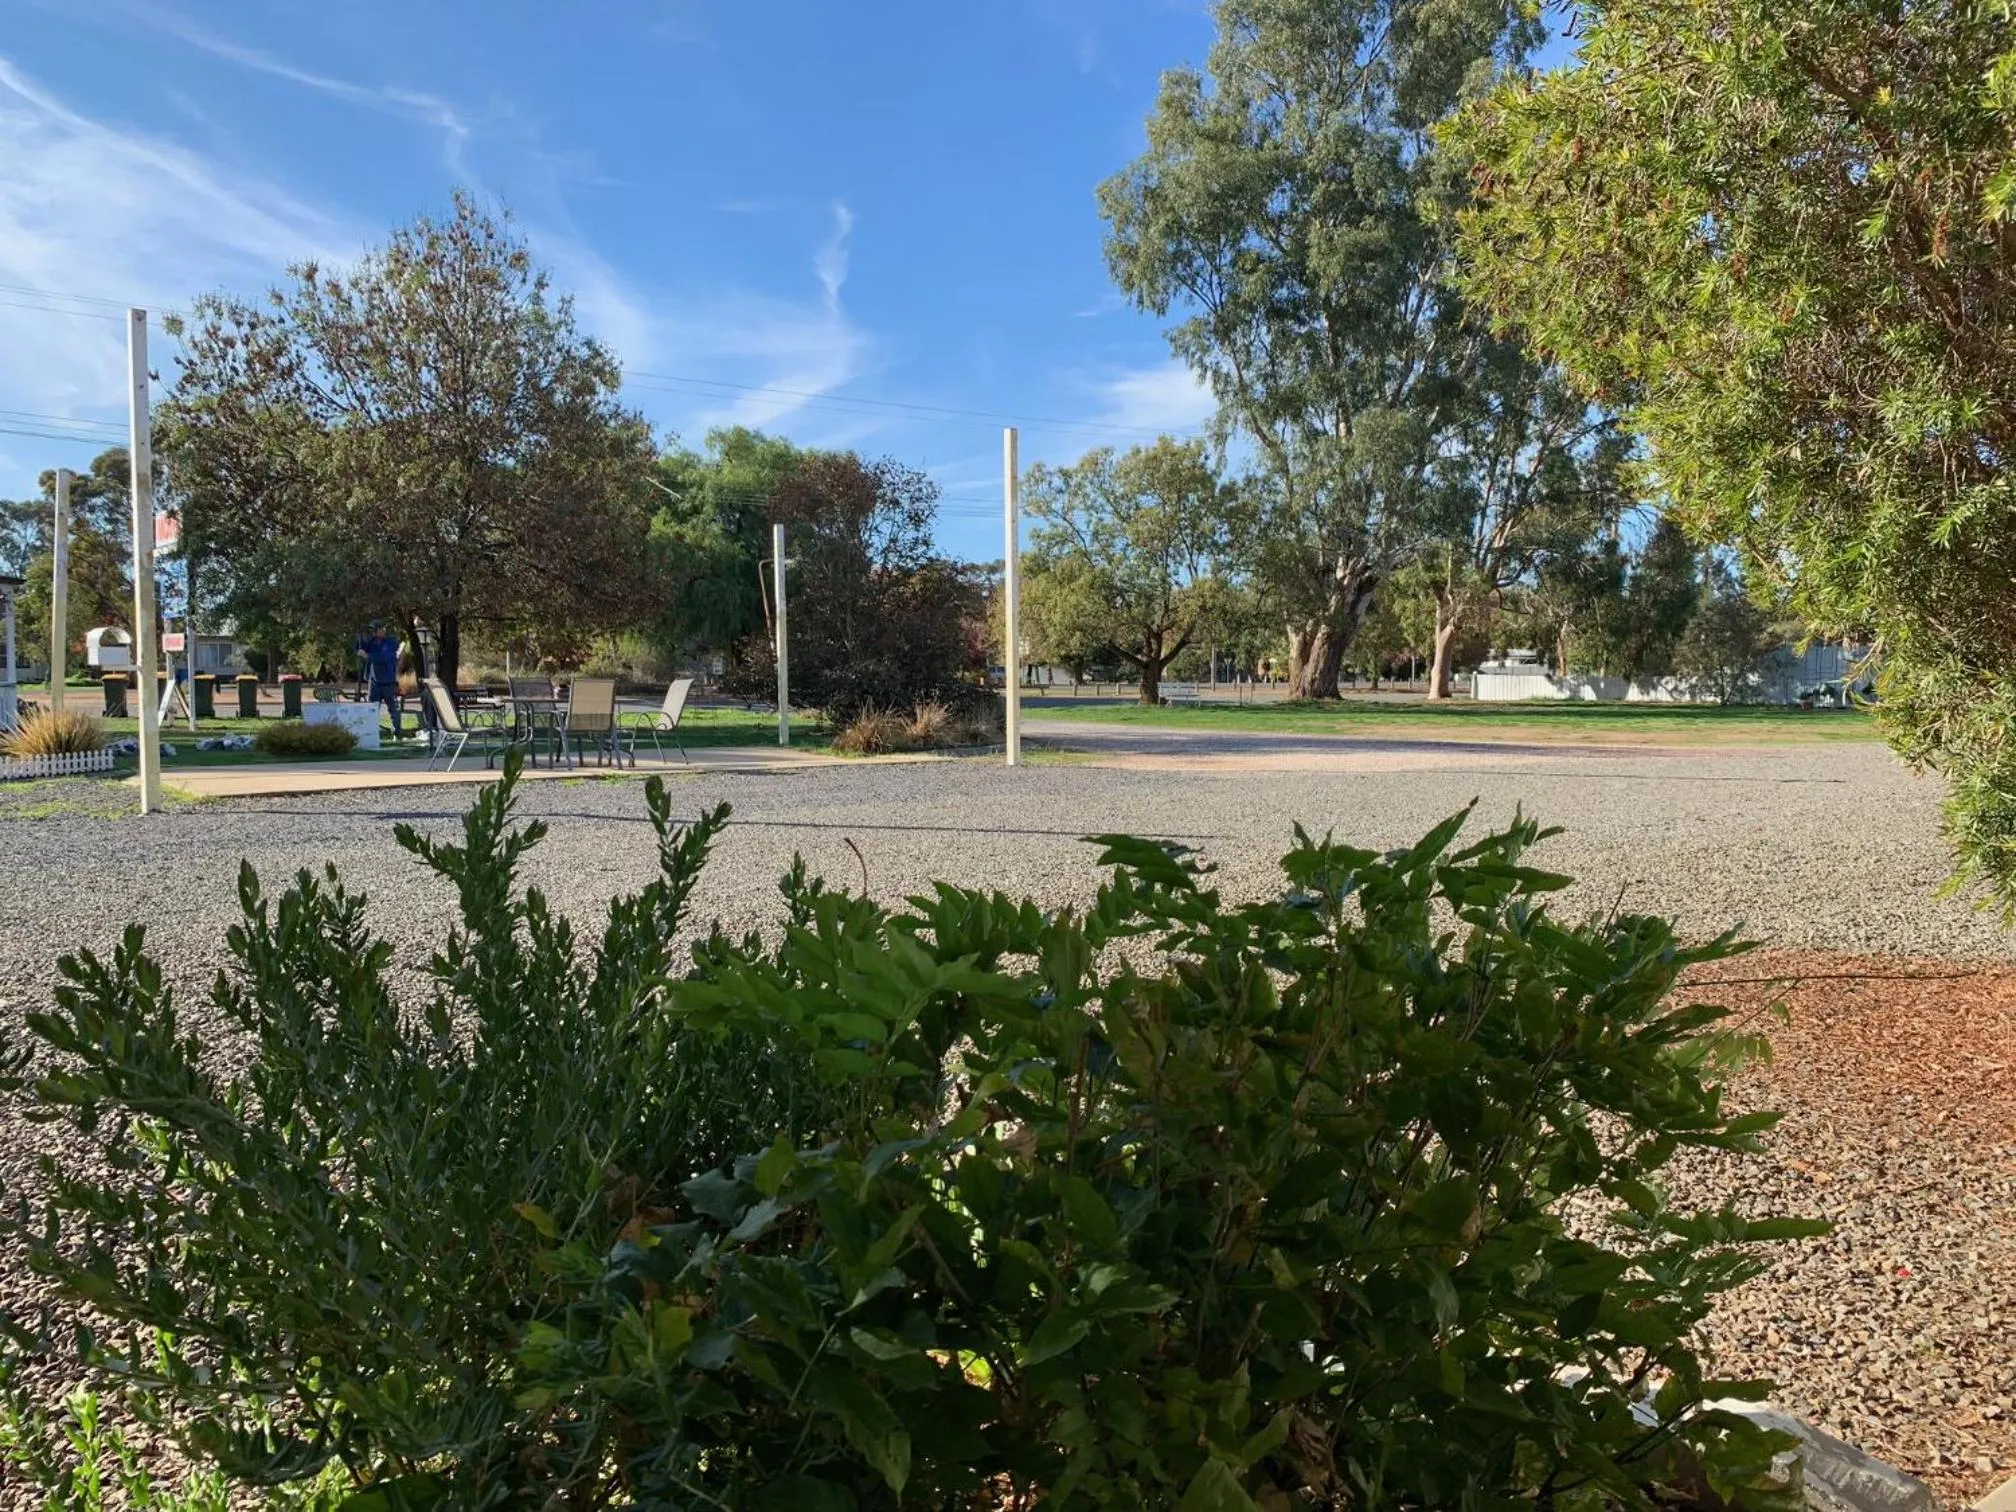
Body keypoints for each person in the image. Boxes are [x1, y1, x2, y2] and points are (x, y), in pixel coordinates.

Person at [357, 622, 405, 740]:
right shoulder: (371, 642)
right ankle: (371, 734)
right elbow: (359, 648)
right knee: (372, 710)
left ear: (382, 630)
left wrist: (367, 656)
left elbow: (385, 657)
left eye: (376, 630)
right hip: (374, 683)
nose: (374, 632)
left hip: (388, 682)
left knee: (393, 710)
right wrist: (360, 638)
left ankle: (397, 734)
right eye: (372, 630)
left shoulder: (390, 642)